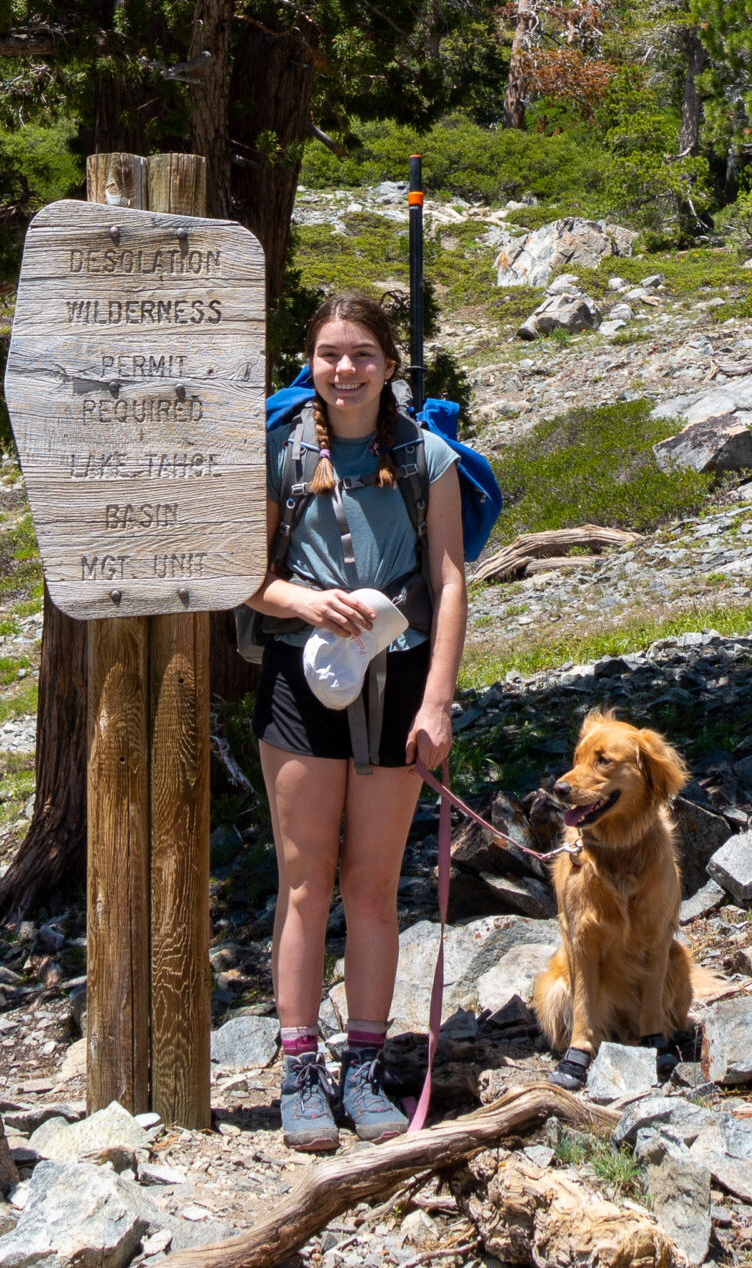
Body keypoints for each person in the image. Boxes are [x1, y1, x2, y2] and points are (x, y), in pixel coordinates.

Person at [241, 292, 468, 1153]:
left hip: (400, 678)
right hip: (300, 681)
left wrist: (437, 700)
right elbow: (247, 576)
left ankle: (364, 1069)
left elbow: (448, 581)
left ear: (389, 365)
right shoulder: (279, 450)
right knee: (304, 885)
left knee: (372, 886)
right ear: (310, 362)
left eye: (362, 354)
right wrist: (302, 598)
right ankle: (302, 1067)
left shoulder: (428, 458)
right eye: (330, 354)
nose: (345, 370)